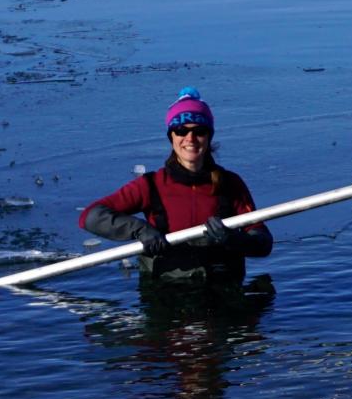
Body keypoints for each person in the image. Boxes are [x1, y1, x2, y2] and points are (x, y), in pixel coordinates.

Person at [81, 87, 273, 290]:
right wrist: (140, 230)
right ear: (171, 136)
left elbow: (263, 242)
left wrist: (233, 239)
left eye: (199, 131)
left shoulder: (230, 183)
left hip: (221, 291)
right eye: (181, 131)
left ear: (209, 136)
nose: (190, 138)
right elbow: (90, 216)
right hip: (165, 294)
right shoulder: (151, 185)